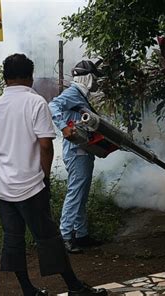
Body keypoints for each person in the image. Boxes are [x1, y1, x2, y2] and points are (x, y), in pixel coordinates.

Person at [0, 53, 107, 296]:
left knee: (13, 239)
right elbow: (45, 145)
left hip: (2, 185)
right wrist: (44, 178)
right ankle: (75, 288)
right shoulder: (35, 103)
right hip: (30, 184)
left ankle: (28, 290)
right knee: (49, 239)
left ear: (5, 78)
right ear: (29, 77)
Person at [48, 60, 103, 254]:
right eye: (95, 76)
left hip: (83, 150)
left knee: (81, 194)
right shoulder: (72, 93)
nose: (97, 81)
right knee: (75, 193)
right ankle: (65, 237)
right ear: (87, 77)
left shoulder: (81, 96)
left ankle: (81, 235)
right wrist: (64, 127)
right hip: (76, 151)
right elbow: (52, 105)